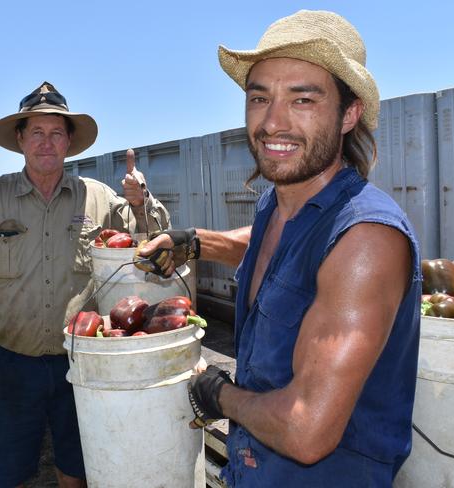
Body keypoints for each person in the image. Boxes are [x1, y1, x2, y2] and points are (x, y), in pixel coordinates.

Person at [139, 10, 421, 487]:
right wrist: (195, 243)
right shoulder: (279, 205)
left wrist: (217, 394)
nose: (273, 122)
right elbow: (278, 251)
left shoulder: (367, 241)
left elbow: (306, 429)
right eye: (259, 97)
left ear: (349, 113)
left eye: (303, 99)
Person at [0, 81, 170, 488]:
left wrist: (139, 202)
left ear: (69, 142)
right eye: (37, 132)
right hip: (14, 363)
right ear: (20, 139)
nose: (46, 142)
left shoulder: (96, 198)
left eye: (56, 133)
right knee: (4, 472)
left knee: (78, 466)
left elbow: (153, 239)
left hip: (82, 359)